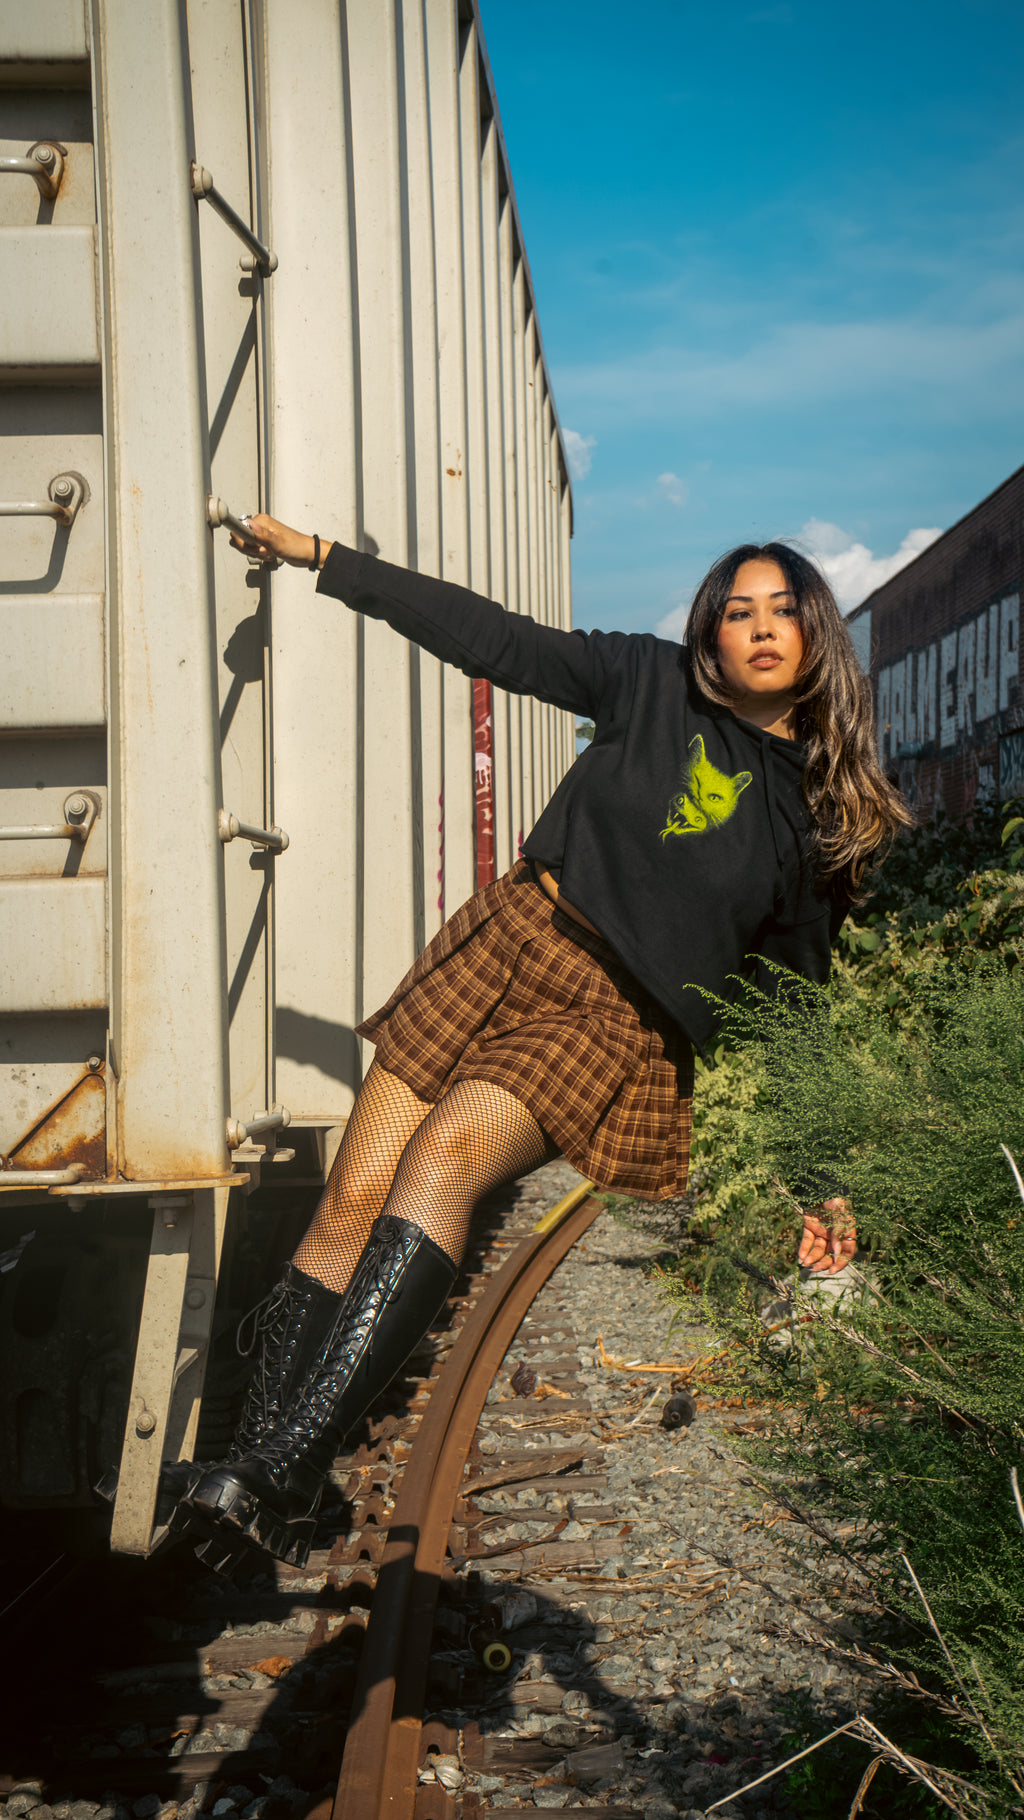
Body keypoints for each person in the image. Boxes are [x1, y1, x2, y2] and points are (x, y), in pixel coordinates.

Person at [177, 519, 909, 1567]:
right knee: (351, 1193)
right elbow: (498, 640)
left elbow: (795, 1007)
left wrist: (818, 1178)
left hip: (609, 1015)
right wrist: (329, 561)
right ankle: (249, 1478)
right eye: (736, 608)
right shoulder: (649, 681)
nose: (756, 627)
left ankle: (290, 1463)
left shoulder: (810, 820)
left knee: (443, 1161)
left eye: (779, 610)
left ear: (814, 635)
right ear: (707, 628)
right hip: (508, 936)